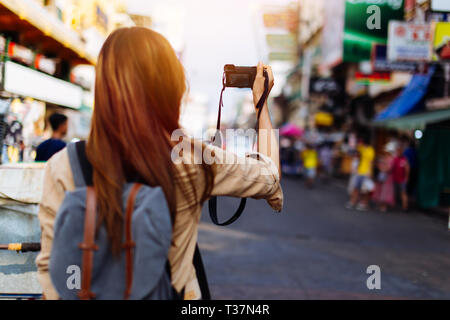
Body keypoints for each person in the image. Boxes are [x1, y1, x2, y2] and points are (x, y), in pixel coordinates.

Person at [35, 27, 283, 300]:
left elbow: (51, 270)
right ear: (172, 88)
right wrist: (261, 105)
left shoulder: (63, 165)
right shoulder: (193, 160)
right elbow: (269, 173)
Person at [346, 136, 375, 211]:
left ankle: (363, 203)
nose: (361, 143)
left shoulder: (370, 150)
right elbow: (354, 154)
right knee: (355, 188)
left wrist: (369, 171)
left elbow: (370, 162)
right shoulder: (360, 148)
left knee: (364, 190)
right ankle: (352, 202)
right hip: (358, 171)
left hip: (365, 172)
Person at [372, 142, 395, 212]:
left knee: (385, 191)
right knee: (380, 189)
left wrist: (383, 168)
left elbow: (389, 168)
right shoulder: (385, 158)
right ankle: (380, 205)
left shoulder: (391, 159)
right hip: (382, 176)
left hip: (387, 178)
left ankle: (383, 206)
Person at [392, 143, 410, 211]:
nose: (398, 152)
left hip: (402, 179)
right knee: (396, 193)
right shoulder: (395, 159)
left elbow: (407, 169)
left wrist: (406, 178)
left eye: (400, 151)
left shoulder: (404, 159)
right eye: (397, 151)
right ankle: (396, 205)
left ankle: (405, 206)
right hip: (395, 178)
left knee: (403, 192)